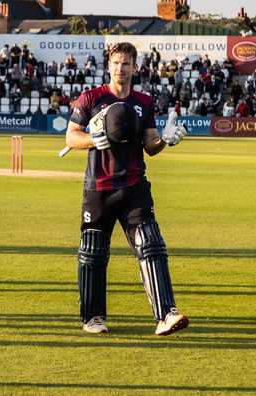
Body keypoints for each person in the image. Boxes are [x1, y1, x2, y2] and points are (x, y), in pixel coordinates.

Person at [65, 42, 189, 336]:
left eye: (126, 63)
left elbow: (150, 145)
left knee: (151, 245)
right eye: (116, 62)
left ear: (135, 67)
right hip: (98, 187)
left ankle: (166, 314)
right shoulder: (91, 98)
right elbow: (71, 137)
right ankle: (93, 317)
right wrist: (94, 139)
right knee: (93, 253)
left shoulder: (143, 102)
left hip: (134, 184)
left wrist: (166, 141)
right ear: (109, 65)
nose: (121, 68)